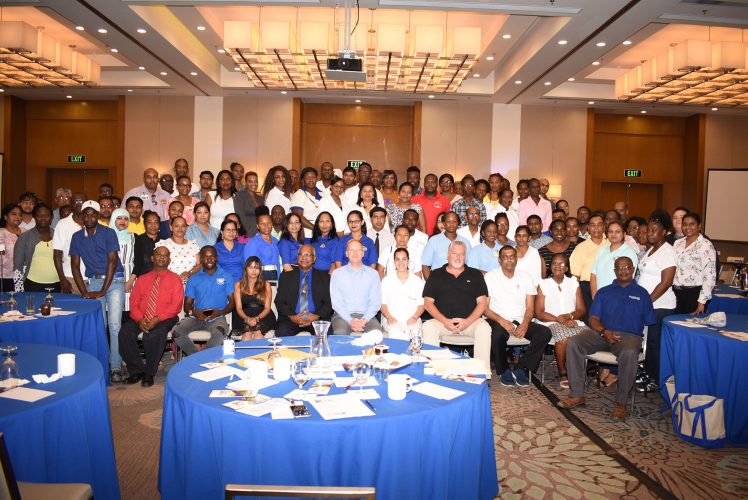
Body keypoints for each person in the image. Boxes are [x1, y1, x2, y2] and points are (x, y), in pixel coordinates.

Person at [559, 257, 656, 421]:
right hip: (602, 333)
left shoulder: (642, 293)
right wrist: (604, 332)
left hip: (629, 337)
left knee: (630, 353)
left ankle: (621, 403)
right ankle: (577, 395)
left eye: (627, 267)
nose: (623, 270)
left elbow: (650, 321)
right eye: (619, 268)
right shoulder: (604, 292)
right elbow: (593, 319)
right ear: (615, 271)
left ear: (633, 270)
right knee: (574, 342)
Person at [69, 200, 126, 383]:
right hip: (93, 282)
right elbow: (75, 267)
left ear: (98, 216)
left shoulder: (108, 233)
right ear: (81, 217)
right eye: (86, 214)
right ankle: (104, 363)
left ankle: (115, 366)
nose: (90, 218)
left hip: (115, 280)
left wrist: (102, 290)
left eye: (93, 214)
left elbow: (112, 262)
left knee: (115, 325)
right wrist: (85, 291)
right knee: (99, 326)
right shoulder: (77, 237)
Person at [484, 245, 551, 386]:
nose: (509, 260)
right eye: (505, 257)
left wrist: (525, 323)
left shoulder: (526, 277)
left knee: (544, 332)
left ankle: (523, 367)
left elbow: (530, 307)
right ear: (500, 260)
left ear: (516, 259)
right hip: (497, 319)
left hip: (520, 319)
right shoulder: (490, 277)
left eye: (512, 256)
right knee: (497, 334)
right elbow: (485, 308)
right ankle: (504, 370)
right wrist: (501, 320)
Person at [422, 241, 492, 375]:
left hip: (470, 322)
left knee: (484, 328)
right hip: (442, 322)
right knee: (427, 327)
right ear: (448, 255)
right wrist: (445, 321)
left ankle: (481, 374)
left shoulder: (475, 274)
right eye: (454, 253)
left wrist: (468, 322)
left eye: (462, 254)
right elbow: (428, 303)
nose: (458, 257)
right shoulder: (436, 274)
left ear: (466, 257)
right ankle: (434, 372)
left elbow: (482, 303)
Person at [119, 246, 184, 387]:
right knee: (125, 333)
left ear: (169, 260)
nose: (161, 257)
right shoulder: (142, 279)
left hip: (166, 317)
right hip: (141, 316)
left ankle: (149, 373)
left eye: (165, 255)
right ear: (152, 258)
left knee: (154, 334)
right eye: (158, 255)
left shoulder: (175, 279)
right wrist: (139, 319)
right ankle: (136, 371)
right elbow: (134, 302)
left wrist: (157, 319)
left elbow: (176, 306)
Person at [636, 214, 676, 393]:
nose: (649, 233)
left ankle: (656, 379)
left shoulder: (668, 251)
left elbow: (666, 282)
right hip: (650, 305)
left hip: (661, 305)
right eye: (649, 230)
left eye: (654, 230)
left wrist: (647, 302)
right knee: (648, 342)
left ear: (665, 232)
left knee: (655, 343)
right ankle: (648, 373)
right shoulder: (651, 250)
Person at [535, 253, 587, 388]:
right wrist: (560, 319)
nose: (557, 266)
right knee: (563, 338)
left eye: (561, 264)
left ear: (567, 268)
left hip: (572, 321)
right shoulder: (543, 284)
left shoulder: (573, 283)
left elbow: (581, 310)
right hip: (549, 322)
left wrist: (569, 316)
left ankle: (577, 370)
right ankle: (563, 371)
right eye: (554, 263)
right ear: (550, 267)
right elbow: (539, 313)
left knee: (588, 335)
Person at [173, 246, 235, 356]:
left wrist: (220, 312)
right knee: (177, 332)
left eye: (212, 256)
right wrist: (194, 313)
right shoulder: (193, 278)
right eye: (206, 257)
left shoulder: (227, 276)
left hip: (217, 317)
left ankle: (202, 358)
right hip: (196, 317)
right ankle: (197, 357)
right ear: (201, 259)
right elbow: (187, 306)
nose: (209, 259)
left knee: (219, 332)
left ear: (216, 258)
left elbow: (232, 303)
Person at [275, 244, 333, 337]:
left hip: (316, 319)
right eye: (301, 254)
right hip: (291, 319)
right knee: (282, 332)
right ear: (297, 257)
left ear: (314, 258)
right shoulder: (286, 276)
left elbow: (329, 303)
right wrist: (293, 317)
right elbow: (279, 301)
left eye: (308, 255)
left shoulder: (325, 277)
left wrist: (316, 316)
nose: (304, 257)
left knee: (326, 333)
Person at [330, 239, 382, 335]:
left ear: (363, 253)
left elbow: (375, 302)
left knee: (377, 334)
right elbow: (337, 303)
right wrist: (350, 320)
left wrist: (364, 320)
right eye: (351, 250)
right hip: (342, 316)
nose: (355, 253)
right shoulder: (337, 274)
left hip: (367, 316)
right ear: (346, 253)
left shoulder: (373, 274)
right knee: (340, 333)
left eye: (358, 250)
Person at [673, 212, 716, 315]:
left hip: (694, 294)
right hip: (675, 292)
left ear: (699, 226)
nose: (688, 227)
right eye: (685, 224)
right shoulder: (677, 243)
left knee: (689, 325)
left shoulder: (705, 245)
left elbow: (709, 275)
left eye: (692, 224)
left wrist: (702, 301)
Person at [380, 248, 425, 340]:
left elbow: (422, 304)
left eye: (404, 259)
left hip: (413, 319)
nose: (401, 262)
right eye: (398, 259)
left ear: (408, 261)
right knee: (396, 333)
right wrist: (389, 317)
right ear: (394, 262)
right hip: (391, 319)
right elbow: (382, 303)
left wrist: (415, 317)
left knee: (415, 335)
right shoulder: (386, 281)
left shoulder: (417, 281)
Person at [13, 203, 59, 292]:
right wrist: (18, 289)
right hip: (32, 284)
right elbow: (17, 265)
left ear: (51, 218)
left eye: (46, 215)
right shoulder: (25, 237)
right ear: (34, 217)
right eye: (39, 215)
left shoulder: (58, 235)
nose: (43, 218)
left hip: (57, 283)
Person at [590, 221, 639, 297]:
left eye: (617, 232)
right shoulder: (602, 250)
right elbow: (593, 275)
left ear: (624, 234)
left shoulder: (629, 253)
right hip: (600, 297)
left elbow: (628, 281)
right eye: (610, 231)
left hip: (619, 298)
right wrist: (595, 297)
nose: (613, 234)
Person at [570, 213, 607, 313]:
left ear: (604, 227)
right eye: (592, 225)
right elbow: (575, 276)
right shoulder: (580, 248)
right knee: (591, 319)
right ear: (588, 228)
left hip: (608, 286)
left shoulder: (611, 245)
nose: (596, 228)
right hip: (586, 288)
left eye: (599, 225)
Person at [233, 256, 276, 340]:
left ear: (260, 270)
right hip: (243, 316)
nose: (254, 271)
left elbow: (267, 308)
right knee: (246, 335)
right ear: (246, 269)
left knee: (257, 334)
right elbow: (238, 308)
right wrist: (247, 319)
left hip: (262, 315)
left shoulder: (266, 284)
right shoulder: (238, 284)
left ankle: (261, 353)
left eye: (257, 268)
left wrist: (257, 318)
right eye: (251, 267)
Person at [53, 192, 86, 295]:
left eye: (81, 202)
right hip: (70, 277)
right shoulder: (62, 224)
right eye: (75, 202)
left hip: (92, 278)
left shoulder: (93, 222)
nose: (79, 204)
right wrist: (62, 279)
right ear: (71, 204)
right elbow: (57, 254)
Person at [421, 211, 470, 279]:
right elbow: (425, 265)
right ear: (444, 223)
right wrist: (431, 284)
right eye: (448, 221)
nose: (451, 224)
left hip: (460, 281)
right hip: (438, 281)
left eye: (454, 221)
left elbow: (469, 265)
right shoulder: (433, 240)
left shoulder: (465, 242)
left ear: (458, 224)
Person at [156, 217, 201, 284]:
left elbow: (199, 264)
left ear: (186, 228)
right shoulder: (163, 244)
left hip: (190, 284)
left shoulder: (193, 245)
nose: (180, 229)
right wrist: (176, 276)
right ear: (171, 227)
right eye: (176, 226)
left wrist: (189, 273)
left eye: (183, 226)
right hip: (169, 282)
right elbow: (158, 266)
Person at [110, 208, 136, 314]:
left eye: (126, 219)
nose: (122, 221)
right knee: (112, 309)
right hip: (111, 275)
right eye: (119, 218)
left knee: (128, 309)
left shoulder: (133, 237)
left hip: (129, 276)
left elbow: (138, 261)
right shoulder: (106, 236)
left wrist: (130, 281)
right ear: (113, 220)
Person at [243, 214, 281, 282]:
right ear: (257, 226)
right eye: (262, 224)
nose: (266, 226)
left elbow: (277, 263)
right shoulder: (252, 242)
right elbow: (249, 264)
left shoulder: (275, 241)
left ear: (272, 224)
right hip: (260, 275)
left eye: (268, 223)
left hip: (275, 275)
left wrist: (279, 278)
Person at [291, 167, 323, 238]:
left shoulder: (322, 194)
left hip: (323, 233)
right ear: (302, 180)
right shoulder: (299, 194)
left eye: (313, 177)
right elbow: (298, 217)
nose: (311, 180)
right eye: (308, 177)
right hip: (307, 235)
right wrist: (316, 229)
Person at [234, 171, 264, 238]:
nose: (254, 184)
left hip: (261, 232)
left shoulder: (260, 198)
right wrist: (249, 234)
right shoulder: (240, 195)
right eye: (250, 181)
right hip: (247, 233)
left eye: (256, 181)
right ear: (246, 183)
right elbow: (241, 217)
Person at [214, 218, 245, 283]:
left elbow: (246, 266)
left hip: (240, 283)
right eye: (228, 230)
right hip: (222, 282)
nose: (231, 232)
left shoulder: (242, 247)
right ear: (222, 232)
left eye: (233, 230)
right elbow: (215, 270)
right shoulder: (215, 249)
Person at [133, 211, 162, 278]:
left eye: (156, 222)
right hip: (142, 278)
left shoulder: (164, 240)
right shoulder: (137, 240)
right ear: (144, 224)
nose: (153, 225)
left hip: (162, 279)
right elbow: (136, 263)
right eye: (149, 222)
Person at [0, 204, 22, 292]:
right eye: (14, 214)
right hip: (5, 277)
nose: (18, 217)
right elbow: (1, 257)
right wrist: (19, 265)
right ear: (5, 217)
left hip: (23, 277)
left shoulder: (25, 232)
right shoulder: (1, 233)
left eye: (20, 214)